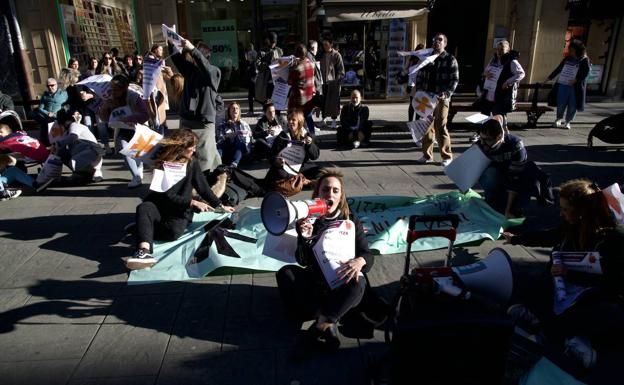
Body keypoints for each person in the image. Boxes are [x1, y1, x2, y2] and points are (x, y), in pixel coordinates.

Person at [503, 179, 624, 373]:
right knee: (530, 285)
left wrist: (571, 274)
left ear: (582, 211)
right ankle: (563, 333)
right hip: (568, 290)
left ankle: (569, 337)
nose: (562, 214)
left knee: (608, 315)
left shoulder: (613, 239)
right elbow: (550, 235)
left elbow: (614, 283)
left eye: (566, 210)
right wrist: (517, 239)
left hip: (594, 296)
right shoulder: (573, 227)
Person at [276, 168, 374, 349]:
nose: (330, 194)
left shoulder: (350, 220)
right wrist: (304, 237)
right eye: (325, 190)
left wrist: (358, 261)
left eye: (335, 190)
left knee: (358, 282)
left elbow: (367, 254)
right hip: (318, 282)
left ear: (341, 196)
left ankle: (320, 324)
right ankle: (330, 319)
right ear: (318, 194)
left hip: (342, 281)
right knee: (286, 273)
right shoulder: (309, 219)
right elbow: (303, 261)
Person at [125, 129, 235, 269]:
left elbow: (203, 189)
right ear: (181, 147)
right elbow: (165, 195)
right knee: (144, 207)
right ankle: (143, 252)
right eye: (192, 147)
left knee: (173, 233)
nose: (194, 151)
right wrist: (192, 202)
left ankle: (143, 226)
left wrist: (220, 206)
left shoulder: (192, 163)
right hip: (161, 204)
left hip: (179, 209)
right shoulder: (163, 163)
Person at [171, 37, 222, 172]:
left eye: (194, 54)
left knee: (205, 156)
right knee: (184, 153)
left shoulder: (214, 72)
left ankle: (204, 183)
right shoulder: (190, 70)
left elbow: (205, 67)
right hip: (187, 120)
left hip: (203, 123)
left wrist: (193, 49)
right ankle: (218, 175)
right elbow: (176, 57)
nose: (190, 57)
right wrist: (171, 41)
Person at [415, 33, 459, 167]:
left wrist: (447, 93)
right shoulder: (428, 58)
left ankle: (446, 156)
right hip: (426, 97)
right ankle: (427, 155)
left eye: (440, 40)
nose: (437, 42)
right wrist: (419, 90)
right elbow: (420, 75)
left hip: (441, 98)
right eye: (435, 40)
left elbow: (454, 79)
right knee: (426, 126)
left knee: (440, 126)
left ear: (445, 43)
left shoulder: (450, 59)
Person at [99, 74, 150, 188]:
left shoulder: (134, 96)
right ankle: (136, 176)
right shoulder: (110, 97)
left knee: (137, 150)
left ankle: (139, 165)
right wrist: (105, 107)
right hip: (122, 128)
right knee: (124, 147)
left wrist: (129, 118)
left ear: (125, 88)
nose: (113, 91)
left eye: (116, 89)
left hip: (138, 127)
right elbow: (105, 118)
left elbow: (145, 114)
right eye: (112, 88)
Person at [476, 117, 530, 218]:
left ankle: (512, 205)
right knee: (490, 174)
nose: (482, 143)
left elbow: (516, 179)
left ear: (498, 137)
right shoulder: (480, 145)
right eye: (481, 138)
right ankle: (491, 201)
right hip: (496, 175)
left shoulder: (516, 145)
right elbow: (471, 170)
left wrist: (508, 210)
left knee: (526, 180)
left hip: (515, 176)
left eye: (486, 140)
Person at [264, 109, 320, 189]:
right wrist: (276, 160)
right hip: (286, 166)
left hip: (301, 165)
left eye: (293, 120)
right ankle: (303, 181)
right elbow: (271, 155)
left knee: (320, 171)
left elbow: (315, 156)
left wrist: (310, 144)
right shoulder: (283, 136)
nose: (290, 122)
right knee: (278, 173)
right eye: (289, 119)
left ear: (299, 122)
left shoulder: (308, 135)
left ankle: (298, 181)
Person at [479, 40, 525, 133]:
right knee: (485, 113)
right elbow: (485, 72)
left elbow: (521, 73)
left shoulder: (512, 61)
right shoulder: (493, 59)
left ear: (508, 50)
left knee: (499, 114)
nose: (499, 51)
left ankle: (504, 134)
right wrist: (485, 74)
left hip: (500, 93)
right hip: (489, 92)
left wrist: (508, 82)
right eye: (497, 49)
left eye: (502, 49)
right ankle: (482, 133)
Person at [546, 39, 591, 130]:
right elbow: (559, 68)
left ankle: (568, 121)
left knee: (572, 104)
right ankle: (558, 119)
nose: (570, 51)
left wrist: (577, 80)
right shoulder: (567, 58)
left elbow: (586, 72)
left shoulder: (584, 60)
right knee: (561, 102)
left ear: (578, 50)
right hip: (563, 84)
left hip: (575, 87)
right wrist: (549, 78)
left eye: (572, 50)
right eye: (570, 49)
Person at [52, 108, 104, 183]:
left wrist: (58, 143)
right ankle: (90, 173)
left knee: (62, 153)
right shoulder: (74, 127)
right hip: (93, 154)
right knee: (63, 150)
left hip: (91, 153)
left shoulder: (74, 125)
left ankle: (84, 173)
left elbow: (73, 136)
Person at [29, 77, 68, 147]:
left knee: (56, 134)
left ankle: (56, 145)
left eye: (52, 85)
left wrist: (56, 114)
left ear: (56, 85)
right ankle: (45, 145)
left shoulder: (64, 94)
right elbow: (40, 108)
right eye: (48, 86)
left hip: (59, 117)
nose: (50, 87)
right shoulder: (45, 95)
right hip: (47, 117)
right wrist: (47, 113)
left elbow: (67, 105)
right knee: (44, 123)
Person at [288, 43, 316, 134]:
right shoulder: (311, 64)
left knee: (295, 117)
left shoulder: (296, 68)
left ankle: (297, 136)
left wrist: (291, 68)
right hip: (309, 96)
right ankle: (312, 134)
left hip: (299, 98)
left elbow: (289, 81)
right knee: (308, 116)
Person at [216, 102, 252, 168]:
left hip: (239, 150)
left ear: (239, 111)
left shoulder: (244, 124)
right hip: (226, 149)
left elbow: (249, 140)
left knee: (240, 142)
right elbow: (219, 139)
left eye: (237, 108)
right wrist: (227, 136)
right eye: (233, 108)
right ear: (229, 112)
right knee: (220, 145)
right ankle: (217, 164)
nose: (235, 110)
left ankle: (234, 165)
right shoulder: (223, 124)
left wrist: (244, 135)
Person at [320, 35, 345, 129]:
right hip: (324, 82)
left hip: (334, 83)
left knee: (334, 102)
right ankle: (323, 119)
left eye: (326, 44)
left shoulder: (336, 55)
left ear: (331, 44)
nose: (324, 46)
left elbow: (341, 70)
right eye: (323, 45)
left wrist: (337, 81)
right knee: (324, 102)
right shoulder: (322, 55)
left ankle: (334, 121)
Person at [255, 32, 283, 104]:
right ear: (268, 41)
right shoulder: (262, 52)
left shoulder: (279, 51)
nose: (273, 44)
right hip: (266, 80)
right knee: (266, 99)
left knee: (277, 98)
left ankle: (277, 113)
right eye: (272, 42)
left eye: (274, 42)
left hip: (277, 79)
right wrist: (268, 64)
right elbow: (258, 65)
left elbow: (282, 62)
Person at [306, 40, 323, 134]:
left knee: (310, 109)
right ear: (313, 48)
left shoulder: (310, 56)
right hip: (312, 87)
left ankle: (309, 125)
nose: (317, 50)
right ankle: (310, 127)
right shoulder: (309, 56)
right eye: (316, 48)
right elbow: (311, 74)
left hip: (313, 86)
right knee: (309, 109)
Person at [244, 43, 258, 115]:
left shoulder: (252, 63)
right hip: (253, 80)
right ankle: (251, 110)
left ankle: (251, 110)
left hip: (253, 80)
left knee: (252, 95)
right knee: (252, 95)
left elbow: (254, 72)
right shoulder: (252, 62)